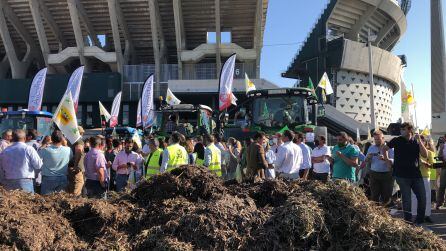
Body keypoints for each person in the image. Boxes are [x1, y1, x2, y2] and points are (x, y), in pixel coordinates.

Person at [382, 122, 428, 224]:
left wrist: (420, 141)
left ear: (410, 130)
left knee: (422, 197)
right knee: (407, 199)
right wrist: (387, 161)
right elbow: (384, 149)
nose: (401, 130)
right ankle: (408, 221)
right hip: (401, 175)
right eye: (401, 129)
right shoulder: (397, 140)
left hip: (416, 174)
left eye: (404, 129)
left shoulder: (416, 141)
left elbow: (425, 155)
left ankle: (419, 220)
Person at [38, 130, 73, 195]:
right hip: (63, 177)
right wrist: (66, 144)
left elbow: (37, 157)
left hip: (48, 178)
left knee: (46, 200)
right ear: (62, 139)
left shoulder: (45, 150)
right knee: (61, 201)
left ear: (52, 139)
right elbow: (70, 158)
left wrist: (44, 144)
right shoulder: (68, 150)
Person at [365, 130, 394, 206]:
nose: (376, 141)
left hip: (387, 174)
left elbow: (394, 160)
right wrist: (368, 157)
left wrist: (385, 158)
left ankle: (386, 214)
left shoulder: (390, 147)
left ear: (383, 138)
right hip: (374, 174)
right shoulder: (371, 147)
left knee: (386, 196)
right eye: (375, 139)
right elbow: (366, 160)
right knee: (374, 195)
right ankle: (376, 214)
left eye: (378, 139)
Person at [411, 136, 436, 223]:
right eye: (418, 141)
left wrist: (425, 163)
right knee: (414, 197)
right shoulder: (413, 152)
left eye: (421, 141)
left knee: (427, 197)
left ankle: (427, 215)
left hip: (425, 177)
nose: (419, 143)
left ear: (425, 143)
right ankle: (414, 215)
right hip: (414, 177)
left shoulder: (429, 153)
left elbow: (433, 165)